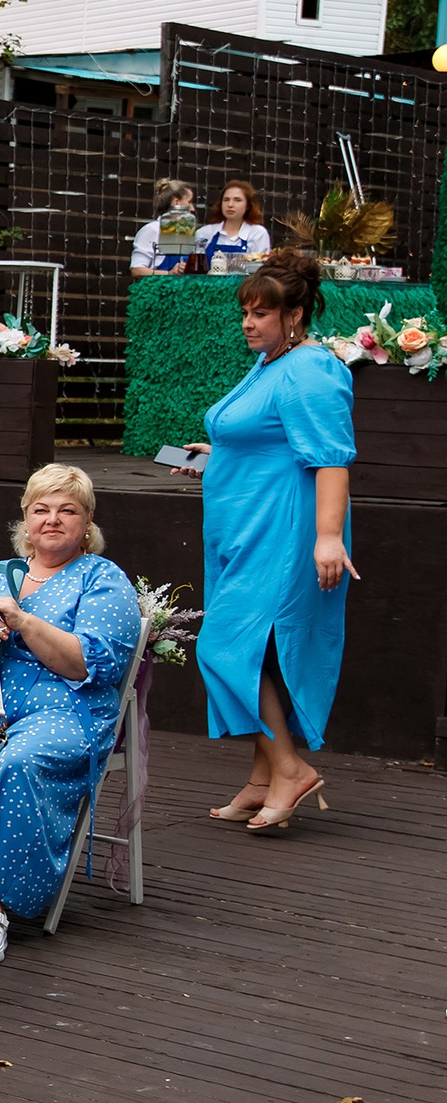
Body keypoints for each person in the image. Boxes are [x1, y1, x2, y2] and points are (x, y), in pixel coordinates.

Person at [173, 247, 355, 833]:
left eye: (261, 314)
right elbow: (266, 436)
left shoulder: (310, 369)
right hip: (243, 527)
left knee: (222, 647)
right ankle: (261, 779)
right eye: (245, 312)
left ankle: (290, 768)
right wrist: (215, 455)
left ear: (295, 314)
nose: (248, 323)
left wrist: (328, 539)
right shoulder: (272, 362)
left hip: (283, 532)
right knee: (259, 654)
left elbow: (331, 462)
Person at [0, 464, 145, 964]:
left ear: (88, 521)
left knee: (21, 760)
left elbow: (88, 664)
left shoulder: (102, 578)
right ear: (25, 519)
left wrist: (23, 622)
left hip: (65, 712)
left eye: (67, 510)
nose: (53, 520)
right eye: (42, 509)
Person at [194, 181, 272, 269]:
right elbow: (195, 268)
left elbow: (260, 270)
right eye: (226, 200)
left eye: (237, 200)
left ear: (248, 206)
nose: (230, 205)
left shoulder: (258, 234)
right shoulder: (204, 233)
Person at [129, 178, 198, 277]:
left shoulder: (188, 232)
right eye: (189, 202)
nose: (192, 209)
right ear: (176, 202)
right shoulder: (153, 230)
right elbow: (137, 270)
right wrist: (169, 273)